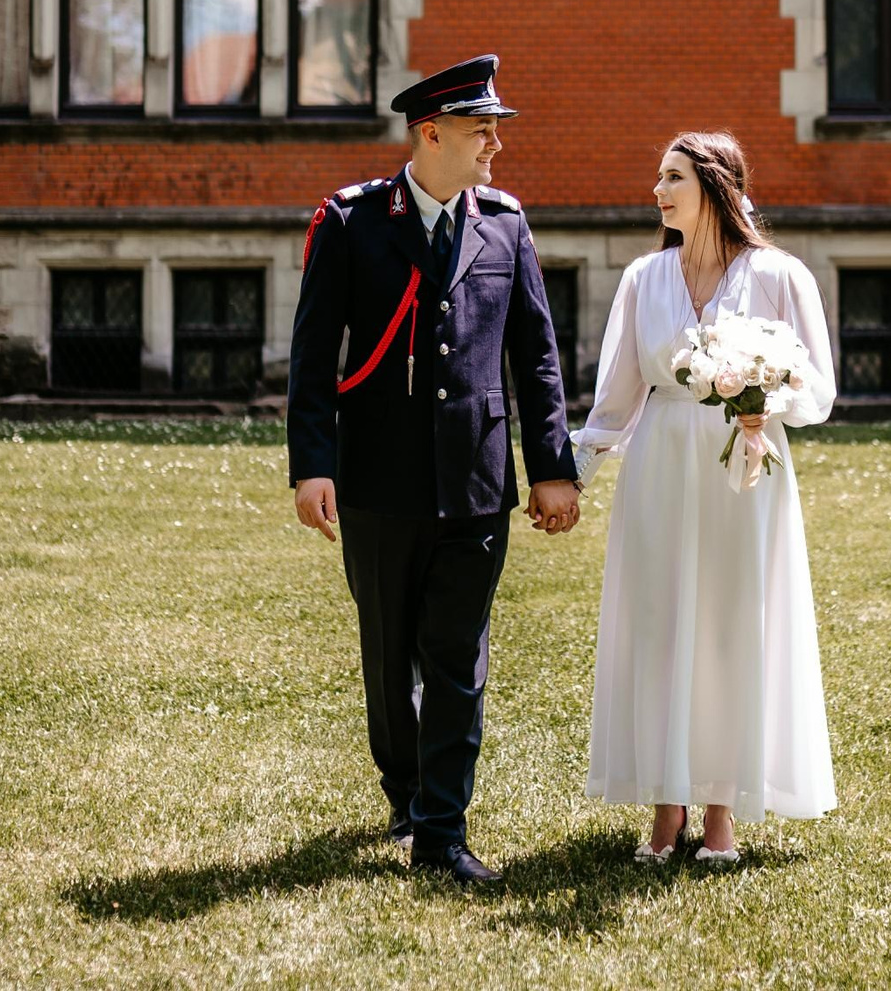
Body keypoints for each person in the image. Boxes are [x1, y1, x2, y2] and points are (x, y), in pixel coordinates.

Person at [286, 54, 583, 887]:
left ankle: (442, 832)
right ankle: (405, 786)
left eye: (495, 128)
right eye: (482, 129)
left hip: (476, 482)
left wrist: (551, 467)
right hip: (377, 480)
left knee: (458, 654)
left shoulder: (506, 223)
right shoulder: (352, 222)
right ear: (431, 133)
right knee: (389, 654)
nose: (496, 143)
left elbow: (538, 356)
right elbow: (314, 357)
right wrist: (312, 466)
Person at [575, 130, 838, 864]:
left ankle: (720, 810)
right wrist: (575, 474)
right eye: (658, 176)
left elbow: (818, 390)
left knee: (729, 626)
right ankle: (667, 807)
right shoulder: (642, 279)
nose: (657, 190)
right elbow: (617, 396)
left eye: (673, 176)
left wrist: (768, 391)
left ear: (715, 186)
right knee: (661, 625)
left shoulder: (781, 275)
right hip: (661, 466)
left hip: (743, 471)